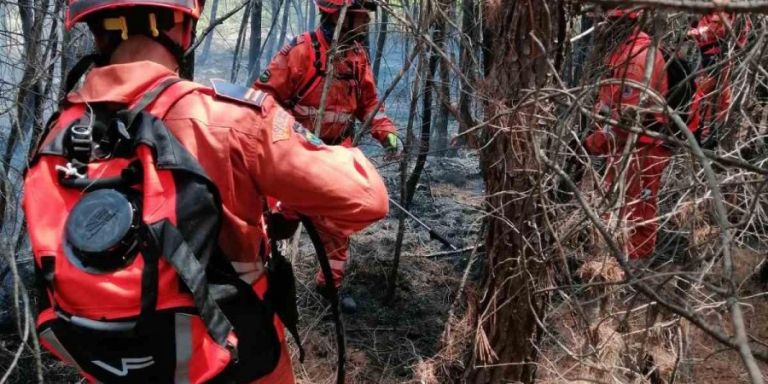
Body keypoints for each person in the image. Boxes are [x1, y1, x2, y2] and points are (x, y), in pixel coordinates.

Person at [22, 0, 389, 382]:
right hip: (240, 357)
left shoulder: (54, 137)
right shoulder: (226, 119)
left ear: (96, 32)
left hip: (118, 363)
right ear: (182, 26)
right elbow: (367, 197)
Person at [254, 0, 399, 310]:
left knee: (337, 228)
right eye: (361, 16)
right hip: (294, 158)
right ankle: (261, 281)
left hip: (335, 156)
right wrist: (289, 135)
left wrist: (386, 132)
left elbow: (370, 105)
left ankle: (328, 288)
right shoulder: (300, 51)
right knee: (266, 222)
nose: (365, 23)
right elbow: (262, 102)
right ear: (340, 16)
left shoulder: (358, 60)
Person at [583, 8, 671, 260]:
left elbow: (625, 121)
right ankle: (614, 260)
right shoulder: (623, 52)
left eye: (606, 22)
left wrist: (592, 143)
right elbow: (610, 104)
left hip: (643, 148)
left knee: (638, 210)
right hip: (624, 147)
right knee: (617, 205)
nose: (601, 27)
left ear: (622, 23)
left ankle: (635, 268)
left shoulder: (637, 58)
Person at [687, 11, 751, 148]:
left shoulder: (730, 12)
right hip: (706, 55)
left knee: (713, 96)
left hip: (718, 56)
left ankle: (708, 133)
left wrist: (698, 33)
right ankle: (701, 133)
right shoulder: (706, 11)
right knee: (702, 96)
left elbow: (736, 33)